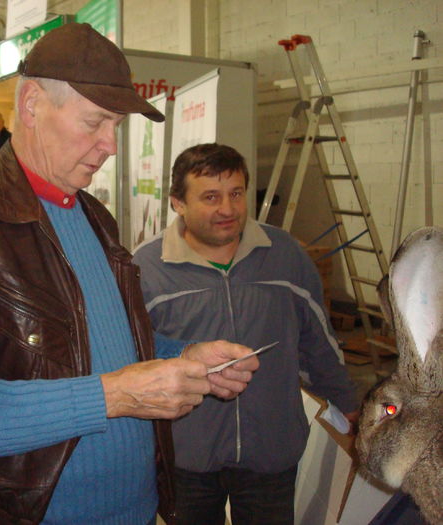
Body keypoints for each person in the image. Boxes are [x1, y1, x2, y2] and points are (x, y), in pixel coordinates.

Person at [0, 23, 258, 525]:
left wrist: (183, 358)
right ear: (31, 104)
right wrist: (115, 395)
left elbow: (106, 343)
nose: (110, 146)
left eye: (115, 125)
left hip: (135, 508)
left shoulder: (92, 215)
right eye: (94, 122)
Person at [133, 143, 359, 525]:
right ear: (177, 203)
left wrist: (347, 403)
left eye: (236, 193)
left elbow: (319, 340)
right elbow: (133, 352)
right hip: (186, 454)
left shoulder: (284, 254)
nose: (228, 209)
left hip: (271, 451)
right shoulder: (147, 267)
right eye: (210, 197)